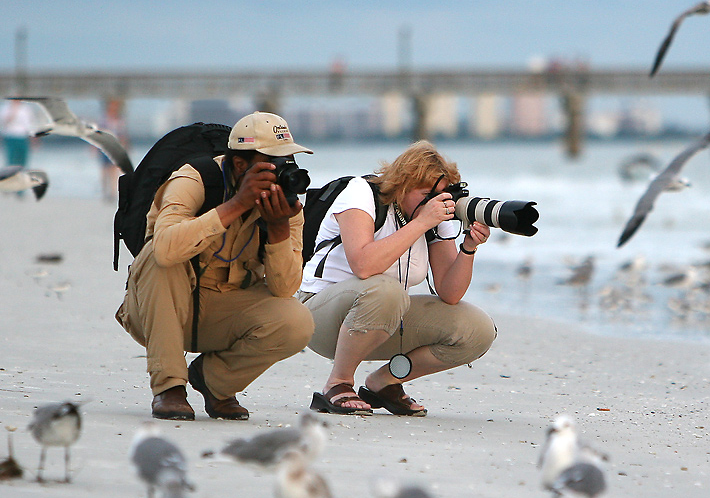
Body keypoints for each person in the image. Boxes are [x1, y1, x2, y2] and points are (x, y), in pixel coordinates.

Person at [116, 112, 315, 421]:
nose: (282, 172)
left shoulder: (286, 208)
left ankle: (214, 383)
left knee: (297, 321)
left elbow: (285, 289)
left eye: (287, 162)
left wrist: (278, 231)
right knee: (162, 258)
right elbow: (165, 249)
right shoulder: (194, 179)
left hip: (221, 312)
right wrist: (236, 205)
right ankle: (169, 387)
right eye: (272, 163)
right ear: (239, 164)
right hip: (158, 310)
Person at [298, 140, 496, 416]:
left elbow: (450, 293)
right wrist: (422, 222)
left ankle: (385, 383)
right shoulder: (361, 193)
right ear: (402, 185)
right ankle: (339, 382)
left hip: (380, 317)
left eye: (439, 194)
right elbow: (364, 266)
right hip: (318, 317)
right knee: (386, 291)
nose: (434, 202)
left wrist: (468, 247)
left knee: (476, 329)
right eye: (426, 193)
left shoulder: (433, 216)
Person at [1, 99, 35, 167]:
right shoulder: (5, 107)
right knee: (12, 158)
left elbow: (29, 124)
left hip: (23, 136)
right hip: (11, 135)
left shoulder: (25, 108)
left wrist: (33, 138)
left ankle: (22, 172)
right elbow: (5, 122)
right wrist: (13, 109)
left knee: (23, 158)